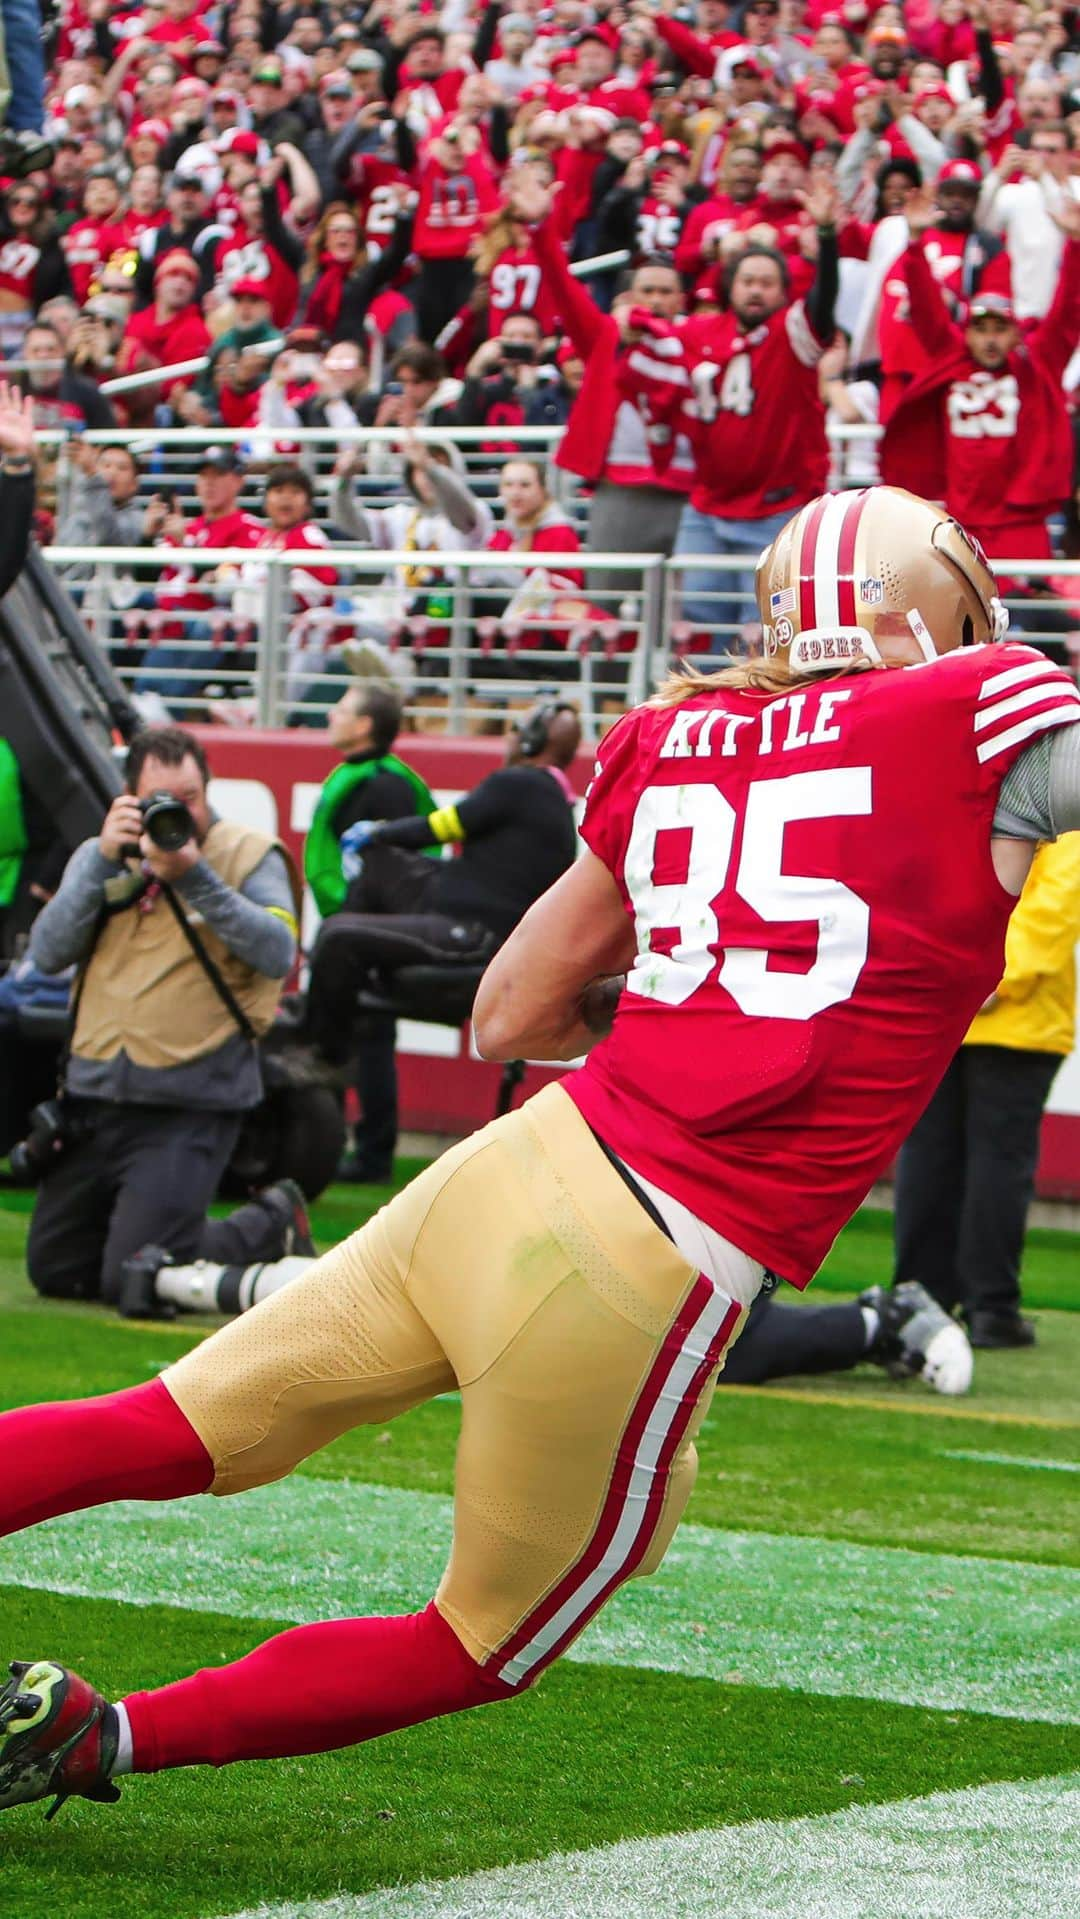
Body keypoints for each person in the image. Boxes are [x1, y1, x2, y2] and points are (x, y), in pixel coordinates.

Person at [9, 484, 1080, 1818]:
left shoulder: (674, 731)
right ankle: (95, 1739)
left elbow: (513, 1011)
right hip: (650, 1252)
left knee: (160, 1425)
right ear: (943, 610)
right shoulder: (979, 709)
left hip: (515, 1162)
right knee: (482, 1637)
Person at [19, 725, 311, 1314]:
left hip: (190, 1102)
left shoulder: (247, 853)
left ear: (208, 791)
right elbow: (46, 955)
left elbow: (278, 951)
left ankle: (267, 1223)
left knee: (130, 1278)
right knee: (55, 1269)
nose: (179, 813)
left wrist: (194, 876)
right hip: (94, 1097)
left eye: (192, 798)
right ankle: (208, 1232)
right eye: (161, 799)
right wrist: (100, 862)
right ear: (128, 798)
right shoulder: (101, 855)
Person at [295, 700, 581, 1072]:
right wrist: (377, 844)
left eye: (513, 731)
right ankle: (351, 983)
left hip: (472, 933)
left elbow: (441, 826)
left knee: (336, 934)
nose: (506, 740)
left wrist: (376, 832)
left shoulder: (519, 783)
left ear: (530, 743)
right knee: (379, 863)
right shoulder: (552, 797)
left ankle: (324, 1056)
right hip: (460, 906)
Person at [894, 833, 1080, 1349]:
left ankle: (915, 1303)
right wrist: (999, 977)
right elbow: (1054, 909)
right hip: (1018, 1020)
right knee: (998, 1162)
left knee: (930, 1154)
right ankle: (991, 1308)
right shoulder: (1060, 812)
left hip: (946, 1004)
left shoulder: (974, 800)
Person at [881, 187, 1080, 583]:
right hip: (961, 521)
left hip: (1019, 521)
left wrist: (1075, 246)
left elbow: (1068, 312)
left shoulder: (1037, 363)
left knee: (1025, 627)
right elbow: (925, 308)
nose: (990, 339)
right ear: (966, 332)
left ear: (1015, 333)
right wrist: (917, 243)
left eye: (999, 329)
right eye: (980, 328)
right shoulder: (949, 358)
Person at [304, 682, 438, 1187]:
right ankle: (346, 1145)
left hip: (366, 933)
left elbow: (390, 868)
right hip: (355, 927)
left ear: (364, 726)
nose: (331, 714)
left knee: (369, 1034)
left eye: (341, 708)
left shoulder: (383, 785)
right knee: (352, 1034)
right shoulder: (368, 777)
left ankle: (372, 1154)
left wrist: (359, 925)